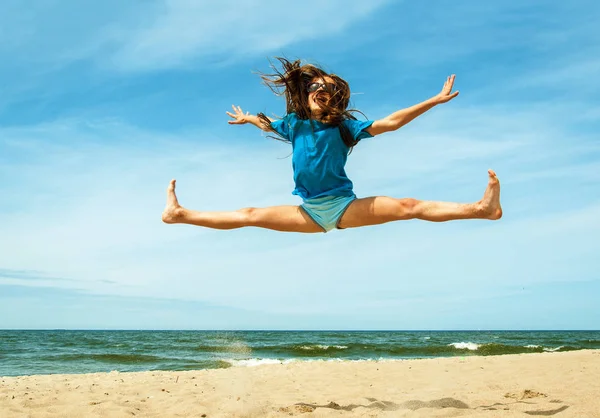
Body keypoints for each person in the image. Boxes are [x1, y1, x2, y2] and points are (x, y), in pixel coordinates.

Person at [162, 58, 502, 233]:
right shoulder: (294, 125)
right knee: (249, 215)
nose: (320, 92)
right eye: (315, 87)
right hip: (307, 212)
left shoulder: (346, 127)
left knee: (409, 206)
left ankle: (480, 209)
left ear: (334, 98)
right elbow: (268, 124)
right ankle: (179, 215)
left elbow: (392, 122)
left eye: (327, 89)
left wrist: (433, 101)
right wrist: (247, 118)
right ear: (307, 94)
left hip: (343, 207)